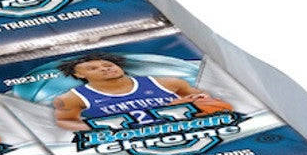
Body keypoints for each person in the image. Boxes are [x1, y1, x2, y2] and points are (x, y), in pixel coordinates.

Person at [51, 54, 232, 132]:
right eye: (93, 68)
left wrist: (201, 100)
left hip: (177, 130)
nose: (105, 69)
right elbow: (64, 121)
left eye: (108, 65)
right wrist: (100, 129)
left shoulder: (167, 82)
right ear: (79, 75)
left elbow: (204, 99)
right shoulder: (72, 97)